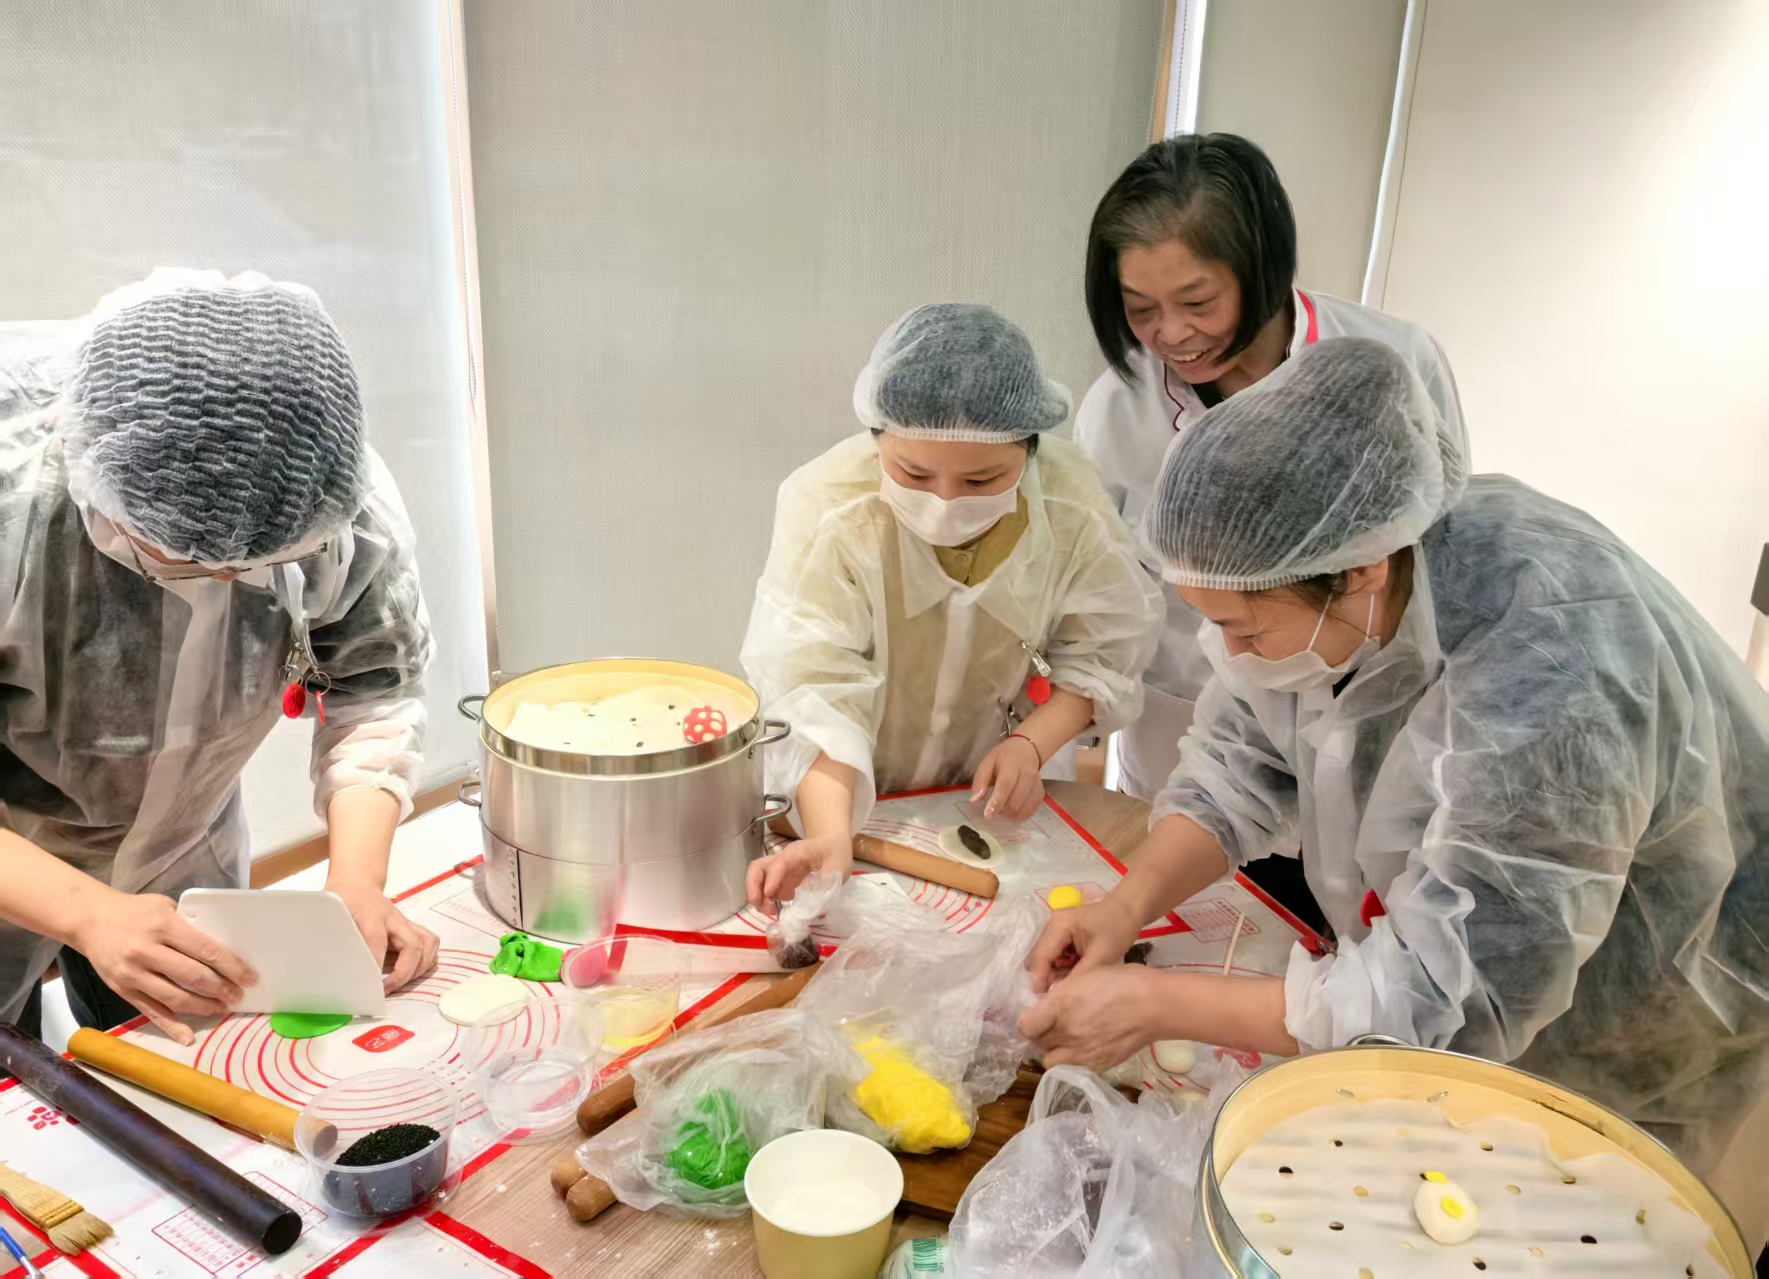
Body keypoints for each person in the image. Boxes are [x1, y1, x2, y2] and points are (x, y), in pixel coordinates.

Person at [1021, 338, 1769, 1240]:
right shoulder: (1331, 575)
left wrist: (1158, 1003)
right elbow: (1237, 766)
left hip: (1650, 993)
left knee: (1570, 1219)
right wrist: (1124, 904)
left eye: (1244, 629)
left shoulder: (1551, 661)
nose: (1230, 655)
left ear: (1362, 571)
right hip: (1475, 967)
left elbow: (1452, 995)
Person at [0, 268, 441, 1047]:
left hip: (182, 846)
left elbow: (374, 686)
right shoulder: (15, 503)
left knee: (175, 1057)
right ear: (87, 476)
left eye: (257, 568)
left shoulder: (319, 484)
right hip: (13, 850)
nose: (226, 581)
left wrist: (354, 883)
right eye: (175, 561)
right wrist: (88, 913)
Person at [1074, 132, 1467, 801]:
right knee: (1190, 849)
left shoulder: (1392, 358)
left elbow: (1439, 550)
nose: (1171, 333)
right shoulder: (1118, 409)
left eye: (1198, 303)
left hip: (1364, 705)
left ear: (1260, 268)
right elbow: (1096, 586)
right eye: (1140, 310)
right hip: (1183, 717)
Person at [741, 303, 1161, 909]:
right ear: (877, 439)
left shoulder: (1070, 503)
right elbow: (813, 688)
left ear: (1031, 450)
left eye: (981, 481)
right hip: (852, 800)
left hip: (992, 809)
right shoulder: (830, 505)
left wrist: (1031, 744)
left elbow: (1105, 652)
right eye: (912, 474)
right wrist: (831, 834)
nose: (944, 504)